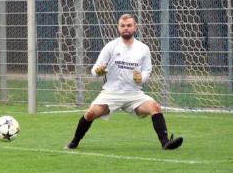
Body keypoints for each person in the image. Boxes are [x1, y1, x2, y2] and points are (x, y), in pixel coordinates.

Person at [64, 13, 183, 151]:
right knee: (90, 113)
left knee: (155, 107)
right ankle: (74, 142)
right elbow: (94, 70)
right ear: (118, 28)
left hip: (134, 94)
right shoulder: (110, 46)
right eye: (122, 26)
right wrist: (99, 71)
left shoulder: (143, 49)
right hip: (111, 93)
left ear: (135, 27)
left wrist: (141, 78)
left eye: (129, 25)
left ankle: (165, 143)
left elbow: (146, 71)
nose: (126, 28)